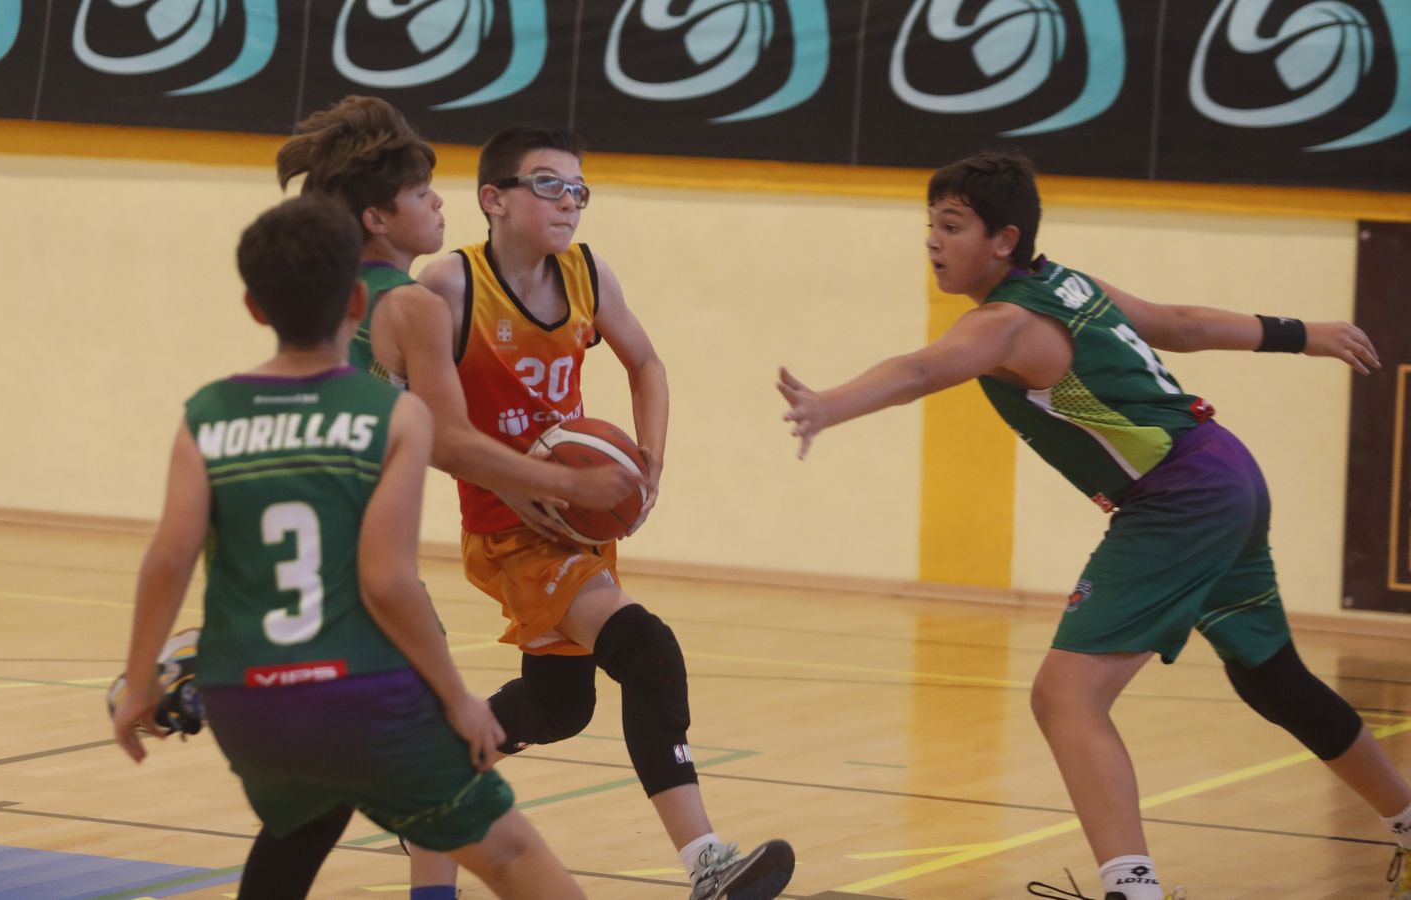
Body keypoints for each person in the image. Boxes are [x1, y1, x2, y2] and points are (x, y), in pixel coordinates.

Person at [778, 150, 1409, 900]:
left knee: (1064, 697)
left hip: (1179, 500)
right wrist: (1300, 332)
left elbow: (919, 370)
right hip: (1224, 471)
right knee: (1273, 680)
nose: (933, 240)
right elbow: (1180, 324)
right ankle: (1407, 819)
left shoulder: (1005, 324)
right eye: (930, 224)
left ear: (1004, 240)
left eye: (952, 226)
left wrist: (828, 405)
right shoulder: (1066, 281)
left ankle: (1131, 887)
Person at [110, 195, 586, 900]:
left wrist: (139, 682)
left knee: (301, 825)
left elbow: (169, 559)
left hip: (246, 703)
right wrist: (458, 698)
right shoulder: (393, 415)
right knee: (513, 857)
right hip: (358, 693)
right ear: (359, 301)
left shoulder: (206, 415)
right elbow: (388, 582)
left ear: (253, 307)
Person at [405, 126, 795, 900]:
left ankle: (437, 769)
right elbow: (414, 416)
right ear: (495, 200)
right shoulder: (447, 286)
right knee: (647, 650)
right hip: (508, 530)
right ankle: (708, 864)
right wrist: (515, 482)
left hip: (573, 518)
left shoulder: (587, 275)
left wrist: (649, 465)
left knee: (559, 705)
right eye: (548, 184)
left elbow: (646, 364)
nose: (569, 202)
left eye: (579, 188)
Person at [276, 95, 637, 512]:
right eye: (421, 192)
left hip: (283, 487)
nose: (438, 201)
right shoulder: (416, 304)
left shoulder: (331, 290)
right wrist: (568, 481)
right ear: (377, 219)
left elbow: (423, 437)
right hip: (338, 506)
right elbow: (450, 443)